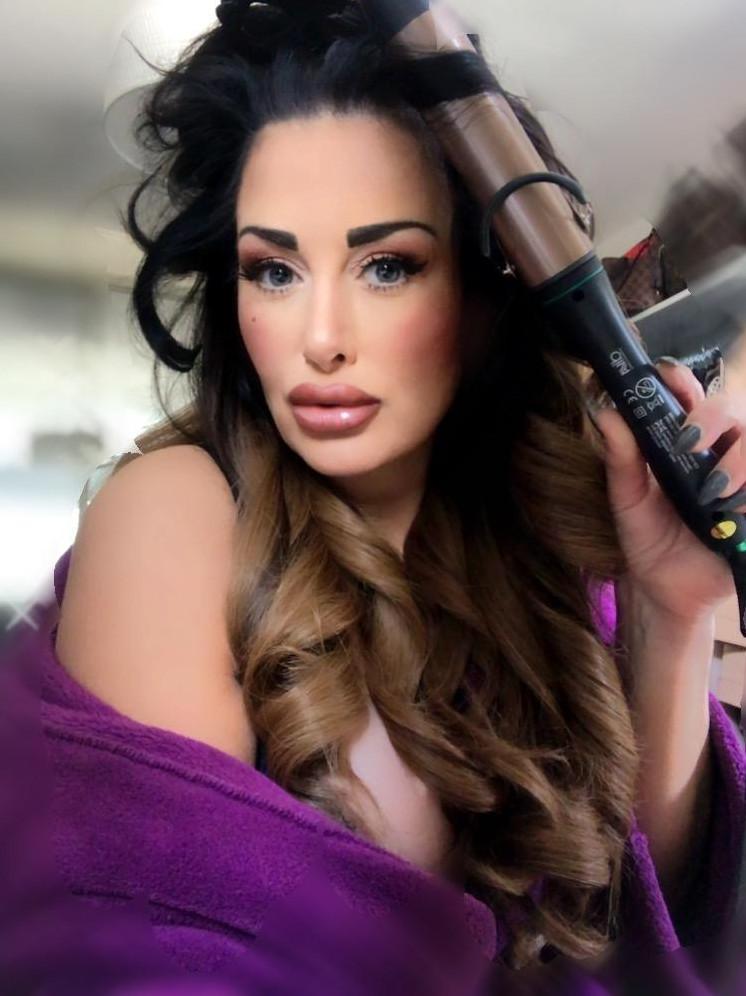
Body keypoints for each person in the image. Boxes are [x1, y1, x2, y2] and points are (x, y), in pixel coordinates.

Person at [17, 0, 746, 989]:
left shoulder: (549, 538)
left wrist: (672, 611)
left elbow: (650, 922)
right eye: (274, 270)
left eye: (386, 266)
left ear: (485, 297)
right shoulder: (176, 514)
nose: (320, 337)